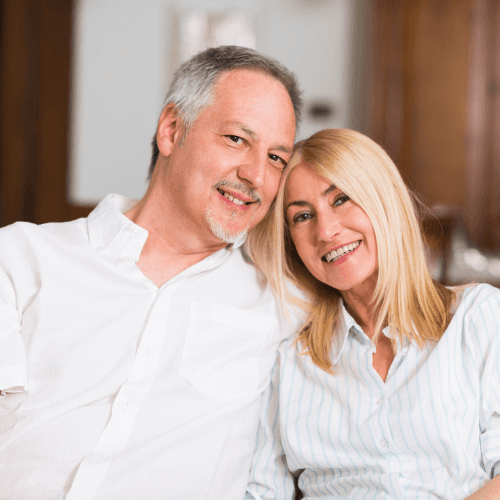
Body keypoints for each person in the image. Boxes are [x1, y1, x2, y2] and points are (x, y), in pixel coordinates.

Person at [0, 46, 302, 499]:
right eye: (237, 139)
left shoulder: (283, 306)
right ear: (171, 130)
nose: (256, 175)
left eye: (276, 158)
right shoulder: (21, 257)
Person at [244, 129, 500, 500]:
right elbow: (263, 491)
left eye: (342, 199)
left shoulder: (478, 319)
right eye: (302, 216)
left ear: (384, 201)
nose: (326, 230)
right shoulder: (289, 360)